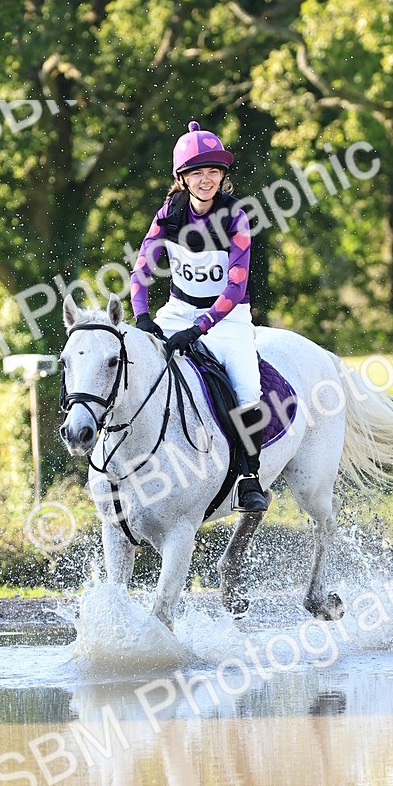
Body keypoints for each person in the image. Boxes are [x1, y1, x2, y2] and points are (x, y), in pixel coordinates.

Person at [129, 121, 268, 513]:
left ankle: (248, 476)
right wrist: (142, 317)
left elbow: (235, 288)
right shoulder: (168, 214)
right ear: (183, 178)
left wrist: (200, 328)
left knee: (246, 388)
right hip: (177, 310)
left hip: (227, 317)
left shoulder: (236, 218)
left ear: (222, 175)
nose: (206, 180)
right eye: (197, 172)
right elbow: (141, 270)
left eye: (213, 172)